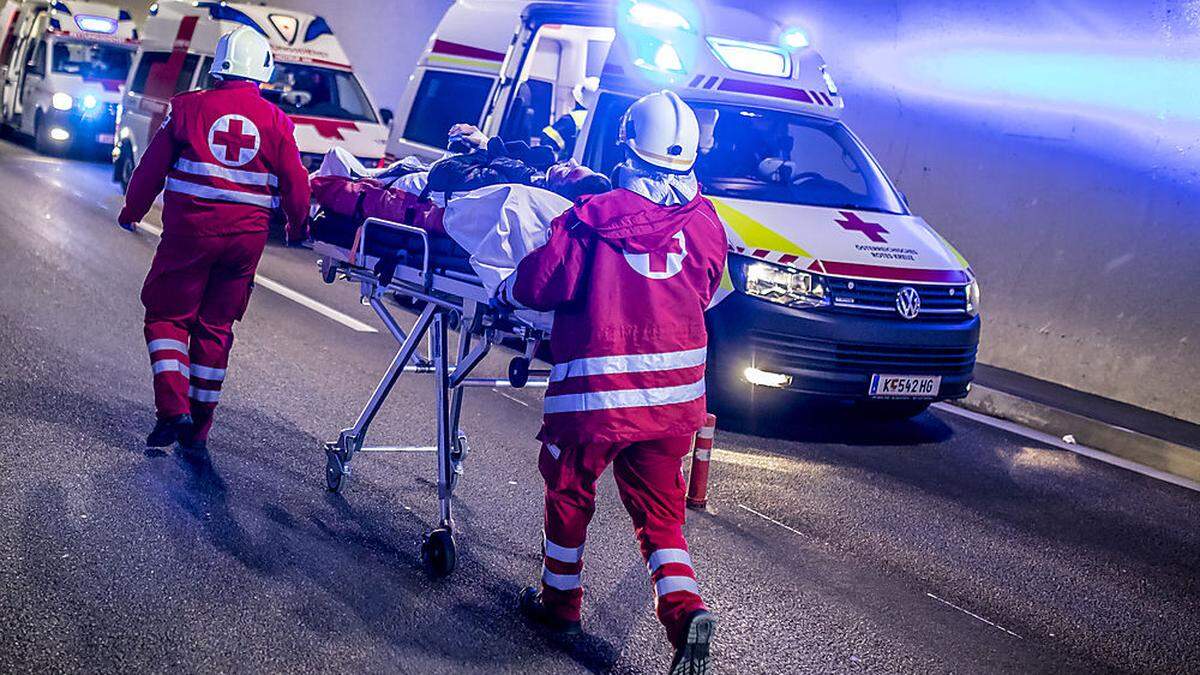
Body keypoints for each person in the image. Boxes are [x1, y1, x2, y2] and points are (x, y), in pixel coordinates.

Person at [501, 90, 727, 675]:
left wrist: (507, 287)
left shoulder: (590, 219)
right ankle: (684, 609)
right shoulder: (707, 222)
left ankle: (559, 602)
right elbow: (706, 290)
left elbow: (539, 286)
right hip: (676, 400)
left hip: (598, 398)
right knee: (660, 511)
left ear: (627, 145)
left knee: (570, 488)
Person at [117, 26, 310, 455]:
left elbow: (151, 169)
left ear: (220, 65)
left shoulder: (188, 109)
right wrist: (298, 227)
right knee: (216, 327)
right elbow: (296, 183)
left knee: (167, 317)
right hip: (245, 241)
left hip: (190, 234)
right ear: (263, 69)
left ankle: (172, 408)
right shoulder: (278, 121)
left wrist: (132, 212)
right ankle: (198, 430)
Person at [537, 77, 600, 161]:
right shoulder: (602, 121)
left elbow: (547, 140)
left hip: (572, 168)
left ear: (577, 100)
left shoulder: (571, 119)